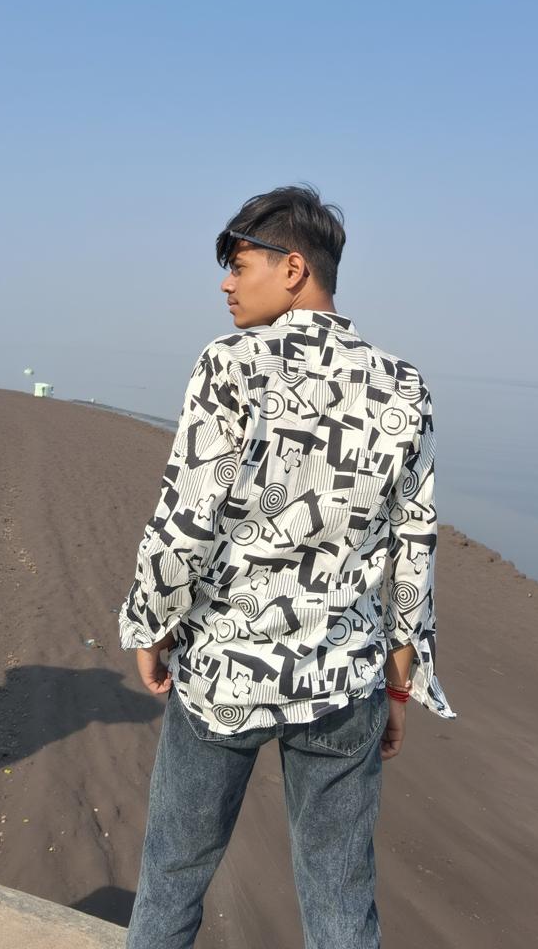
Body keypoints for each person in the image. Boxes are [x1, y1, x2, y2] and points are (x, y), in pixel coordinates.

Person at [119, 185, 454, 949]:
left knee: (174, 874)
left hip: (224, 672)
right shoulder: (405, 385)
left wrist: (151, 622)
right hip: (345, 682)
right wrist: (401, 684)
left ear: (295, 268)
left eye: (239, 265)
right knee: (340, 894)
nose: (226, 284)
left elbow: (186, 520)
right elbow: (413, 551)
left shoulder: (230, 364)